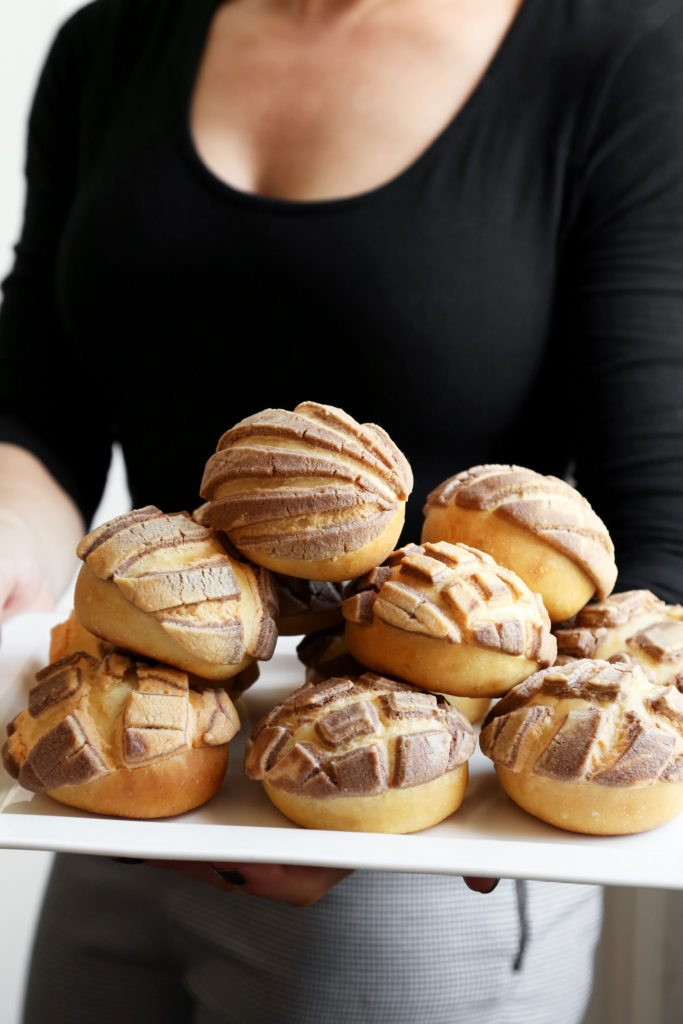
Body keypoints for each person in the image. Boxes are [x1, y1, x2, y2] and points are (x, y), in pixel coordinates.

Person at [1, 0, 682, 1021]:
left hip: (419, 857)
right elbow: (39, 410)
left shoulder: (622, 52)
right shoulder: (111, 42)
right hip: (130, 775)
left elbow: (660, 515)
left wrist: (490, 787)